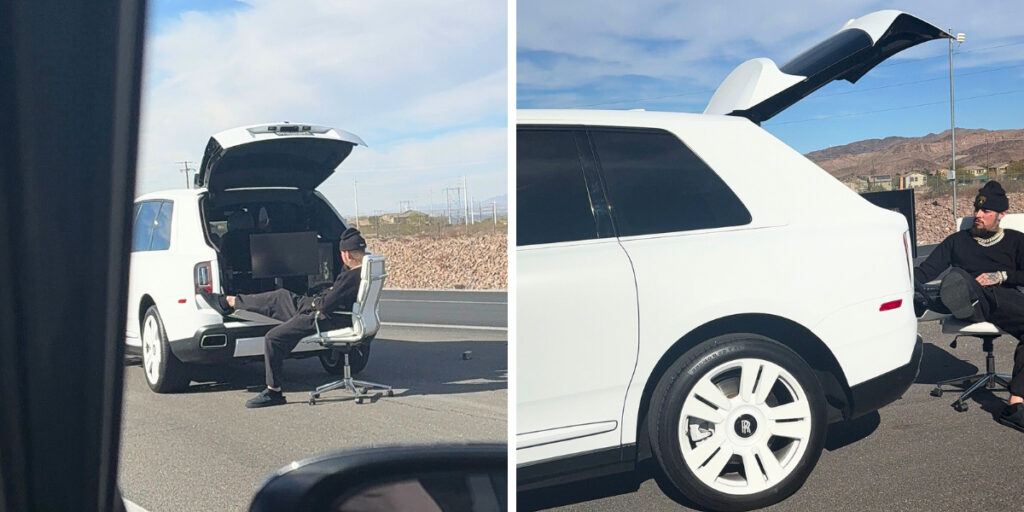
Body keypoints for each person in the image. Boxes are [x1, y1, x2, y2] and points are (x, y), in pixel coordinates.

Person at [202, 227, 368, 408]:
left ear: (346, 255)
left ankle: (274, 392)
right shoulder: (363, 270)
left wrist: (312, 302)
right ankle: (231, 301)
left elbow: (326, 305)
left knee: (273, 338)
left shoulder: (351, 276)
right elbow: (336, 296)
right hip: (336, 314)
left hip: (324, 317)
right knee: (281, 297)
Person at [915, 181, 1024, 432]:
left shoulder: (1017, 242)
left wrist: (1002, 276)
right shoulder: (957, 241)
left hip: (1005, 301)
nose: (978, 215)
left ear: (1001, 215)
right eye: (977, 209)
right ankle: (959, 290)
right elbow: (926, 270)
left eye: (985, 212)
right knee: (963, 279)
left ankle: (1016, 404)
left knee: (967, 283)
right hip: (971, 301)